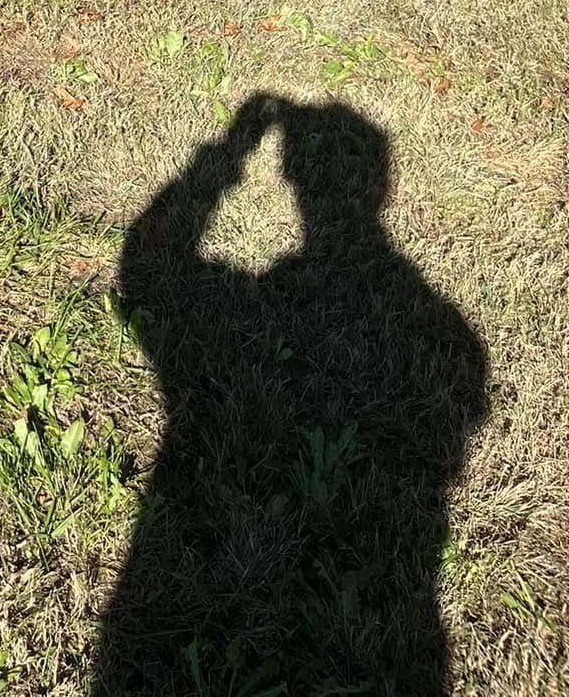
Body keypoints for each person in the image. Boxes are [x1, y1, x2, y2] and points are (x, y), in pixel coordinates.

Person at [94, 94, 488, 695]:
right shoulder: (445, 332)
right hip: (390, 618)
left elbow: (146, 265)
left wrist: (225, 155)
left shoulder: (436, 329)